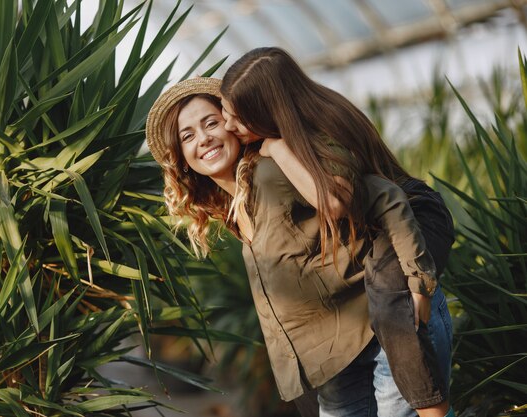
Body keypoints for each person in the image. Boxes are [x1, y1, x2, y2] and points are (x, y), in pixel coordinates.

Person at [145, 77, 452, 417]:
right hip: (340, 359)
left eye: (211, 123)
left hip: (384, 336)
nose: (203, 139)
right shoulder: (235, 207)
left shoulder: (272, 171)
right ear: (183, 158)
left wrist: (417, 281)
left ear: (234, 126)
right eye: (188, 135)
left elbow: (382, 195)